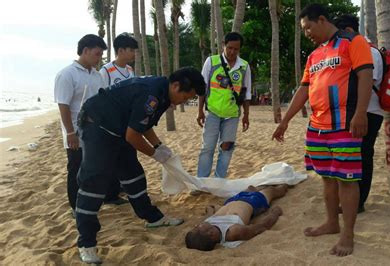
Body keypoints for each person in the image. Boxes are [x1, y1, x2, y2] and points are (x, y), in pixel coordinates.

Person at [74, 67, 206, 264]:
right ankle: (86, 243)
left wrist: (160, 146)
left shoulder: (163, 95)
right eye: (187, 96)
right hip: (98, 126)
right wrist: (155, 154)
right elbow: (133, 135)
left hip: (118, 129)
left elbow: (143, 125)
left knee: (133, 176)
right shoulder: (151, 93)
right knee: (94, 184)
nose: (185, 101)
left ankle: (153, 218)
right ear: (176, 85)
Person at [272, 4, 374, 256]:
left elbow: (366, 76)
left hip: (345, 124)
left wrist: (361, 113)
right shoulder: (314, 55)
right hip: (317, 128)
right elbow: (304, 89)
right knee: (327, 177)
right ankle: (331, 222)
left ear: (321, 19)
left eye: (308, 27)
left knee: (347, 180)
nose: (306, 33)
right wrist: (285, 120)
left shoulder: (353, 42)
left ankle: (347, 235)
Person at [334, 14, 384, 213]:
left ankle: (359, 201)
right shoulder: (362, 48)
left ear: (347, 31)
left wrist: (359, 112)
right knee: (355, 156)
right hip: (362, 111)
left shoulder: (368, 51)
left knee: (363, 156)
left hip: (368, 112)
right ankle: (353, 199)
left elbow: (366, 82)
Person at [54, 34, 107, 216]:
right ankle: (75, 206)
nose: (99, 58)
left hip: (95, 131)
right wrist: (70, 132)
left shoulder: (97, 75)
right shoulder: (67, 74)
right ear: (85, 51)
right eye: (97, 54)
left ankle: (89, 201)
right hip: (75, 131)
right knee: (75, 168)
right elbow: (63, 105)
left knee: (91, 168)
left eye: (100, 55)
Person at [196, 32, 252, 179]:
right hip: (212, 112)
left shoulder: (244, 66)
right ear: (223, 45)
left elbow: (247, 93)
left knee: (226, 149)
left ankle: (219, 180)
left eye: (236, 49)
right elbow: (203, 88)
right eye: (229, 48)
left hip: (232, 115)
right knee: (207, 148)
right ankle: (201, 181)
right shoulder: (211, 61)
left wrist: (246, 115)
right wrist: (200, 111)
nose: (232, 52)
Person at [97, 33, 139, 204]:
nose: (133, 54)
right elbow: (100, 97)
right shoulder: (106, 71)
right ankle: (110, 194)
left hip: (127, 121)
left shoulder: (129, 70)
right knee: (112, 157)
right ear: (120, 50)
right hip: (112, 122)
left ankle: (124, 187)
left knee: (128, 155)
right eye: (131, 50)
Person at [185, 185, 288, 251]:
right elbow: (260, 227)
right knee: (273, 190)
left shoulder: (208, 223)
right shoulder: (234, 231)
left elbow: (209, 213)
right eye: (196, 228)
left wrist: (210, 210)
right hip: (253, 202)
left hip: (231, 201)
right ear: (211, 234)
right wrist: (274, 214)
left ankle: (256, 189)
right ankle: (287, 184)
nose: (196, 225)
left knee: (250, 188)